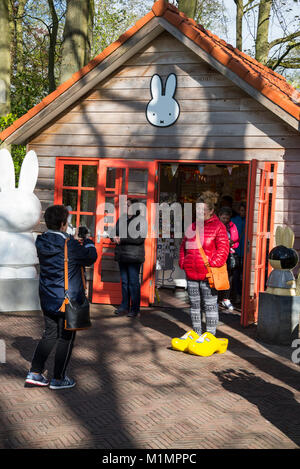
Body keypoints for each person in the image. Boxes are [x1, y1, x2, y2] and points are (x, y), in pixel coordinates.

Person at [25, 205, 97, 390]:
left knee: (49, 334)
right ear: (64, 224)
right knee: (66, 338)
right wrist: (87, 240)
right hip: (67, 299)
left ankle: (35, 373)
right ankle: (58, 378)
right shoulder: (69, 245)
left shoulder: (41, 241)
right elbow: (90, 257)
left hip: (47, 296)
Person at [179, 191, 229, 336]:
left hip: (208, 274)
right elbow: (183, 246)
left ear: (211, 211)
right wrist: (183, 262)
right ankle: (197, 333)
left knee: (210, 306)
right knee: (194, 306)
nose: (199, 212)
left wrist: (213, 264)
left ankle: (209, 336)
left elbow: (223, 249)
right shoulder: (192, 226)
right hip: (192, 273)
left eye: (202, 210)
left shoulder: (219, 227)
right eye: (197, 209)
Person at [112, 198, 147, 318]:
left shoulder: (141, 221)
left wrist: (121, 239)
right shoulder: (121, 219)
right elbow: (113, 233)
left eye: (128, 205)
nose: (126, 207)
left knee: (133, 283)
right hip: (122, 255)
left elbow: (139, 239)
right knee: (125, 283)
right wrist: (113, 238)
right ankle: (124, 306)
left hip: (134, 257)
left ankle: (135, 309)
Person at [218, 206, 239, 311]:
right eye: (223, 218)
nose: (225, 220)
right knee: (217, 277)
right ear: (219, 216)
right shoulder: (215, 225)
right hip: (217, 255)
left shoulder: (232, 226)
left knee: (228, 277)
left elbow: (236, 240)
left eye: (227, 218)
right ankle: (217, 299)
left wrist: (231, 243)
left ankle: (226, 298)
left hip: (228, 254)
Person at [231, 201, 246, 303]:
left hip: (246, 253)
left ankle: (243, 296)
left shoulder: (250, 220)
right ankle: (236, 295)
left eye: (244, 211)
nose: (243, 212)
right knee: (235, 276)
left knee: (244, 276)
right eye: (241, 210)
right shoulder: (233, 221)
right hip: (235, 252)